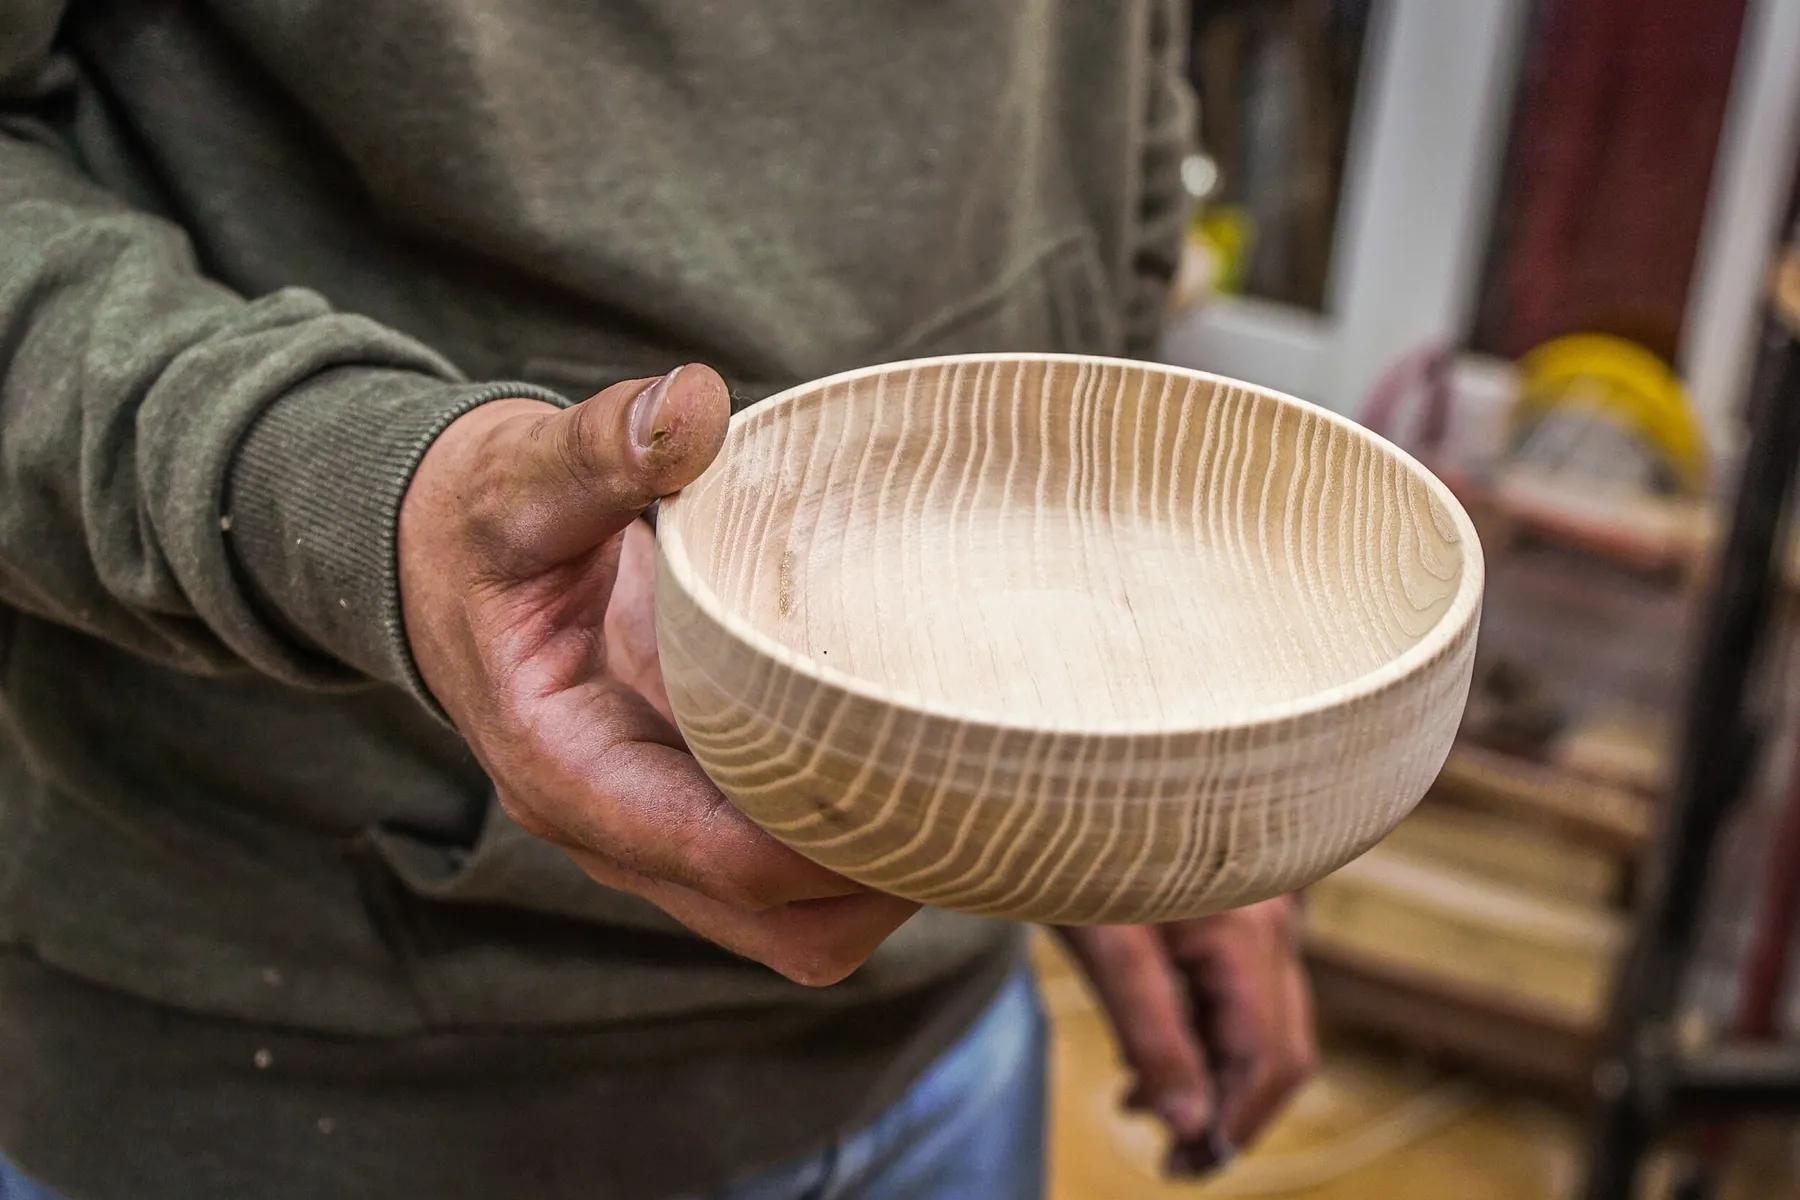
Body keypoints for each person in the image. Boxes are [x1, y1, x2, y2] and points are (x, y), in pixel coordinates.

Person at [0, 4, 1316, 1197]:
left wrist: (1134, 749)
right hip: (321, 1076)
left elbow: (1101, 94)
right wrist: (356, 499)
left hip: (947, 1049)